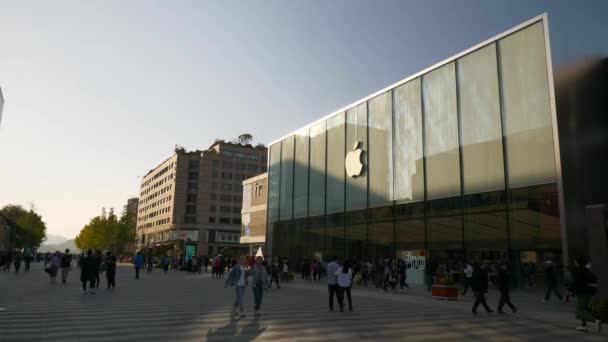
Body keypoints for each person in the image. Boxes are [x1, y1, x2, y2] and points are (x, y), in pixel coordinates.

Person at [572, 257, 598, 332]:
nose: (575, 263)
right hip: (590, 292)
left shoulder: (579, 270)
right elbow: (595, 279)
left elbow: (577, 281)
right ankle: (583, 326)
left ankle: (595, 321)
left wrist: (572, 290)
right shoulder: (587, 270)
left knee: (580, 309)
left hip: (582, 292)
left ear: (578, 263)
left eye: (575, 262)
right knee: (585, 309)